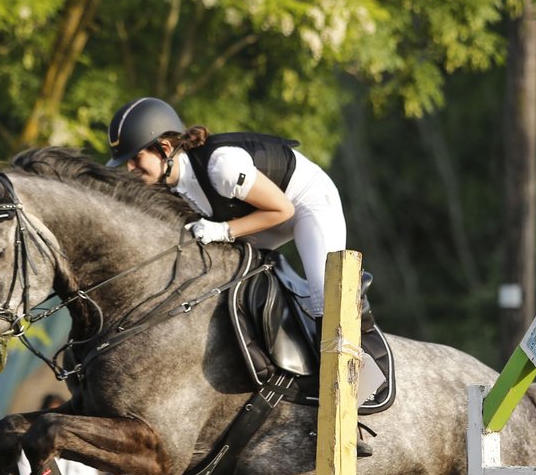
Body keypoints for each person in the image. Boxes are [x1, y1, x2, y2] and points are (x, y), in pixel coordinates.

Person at [106, 96, 377, 455]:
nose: (129, 168)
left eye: (135, 157)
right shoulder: (173, 185)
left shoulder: (221, 166)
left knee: (323, 296)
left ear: (165, 147)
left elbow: (282, 209)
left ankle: (348, 407)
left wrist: (224, 232)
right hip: (260, 213)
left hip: (306, 204)